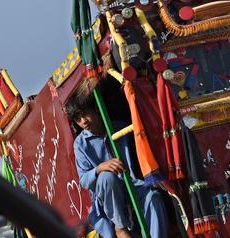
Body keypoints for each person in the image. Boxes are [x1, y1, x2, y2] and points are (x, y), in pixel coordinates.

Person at [67, 97, 167, 238]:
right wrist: (100, 168)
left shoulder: (121, 127)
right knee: (107, 176)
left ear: (95, 109)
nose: (83, 121)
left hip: (132, 184)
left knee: (153, 197)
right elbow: (83, 180)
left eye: (85, 114)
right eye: (78, 119)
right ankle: (120, 227)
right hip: (107, 198)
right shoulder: (80, 144)